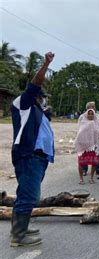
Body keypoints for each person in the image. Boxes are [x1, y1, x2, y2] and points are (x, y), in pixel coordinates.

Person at [10, 52, 54, 247]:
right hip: (29, 157)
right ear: (38, 96)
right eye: (42, 96)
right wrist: (45, 64)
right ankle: (19, 236)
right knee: (30, 196)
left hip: (39, 159)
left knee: (25, 193)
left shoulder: (39, 111)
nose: (44, 99)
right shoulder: (24, 104)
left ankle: (20, 228)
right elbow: (34, 84)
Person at [74, 109, 99, 184]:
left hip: (93, 147)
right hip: (83, 147)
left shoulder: (97, 123)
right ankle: (81, 179)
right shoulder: (83, 122)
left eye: (92, 113)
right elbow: (79, 134)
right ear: (86, 114)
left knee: (94, 163)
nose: (90, 115)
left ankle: (91, 178)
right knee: (81, 163)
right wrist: (80, 145)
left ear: (94, 115)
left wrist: (97, 145)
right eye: (89, 113)